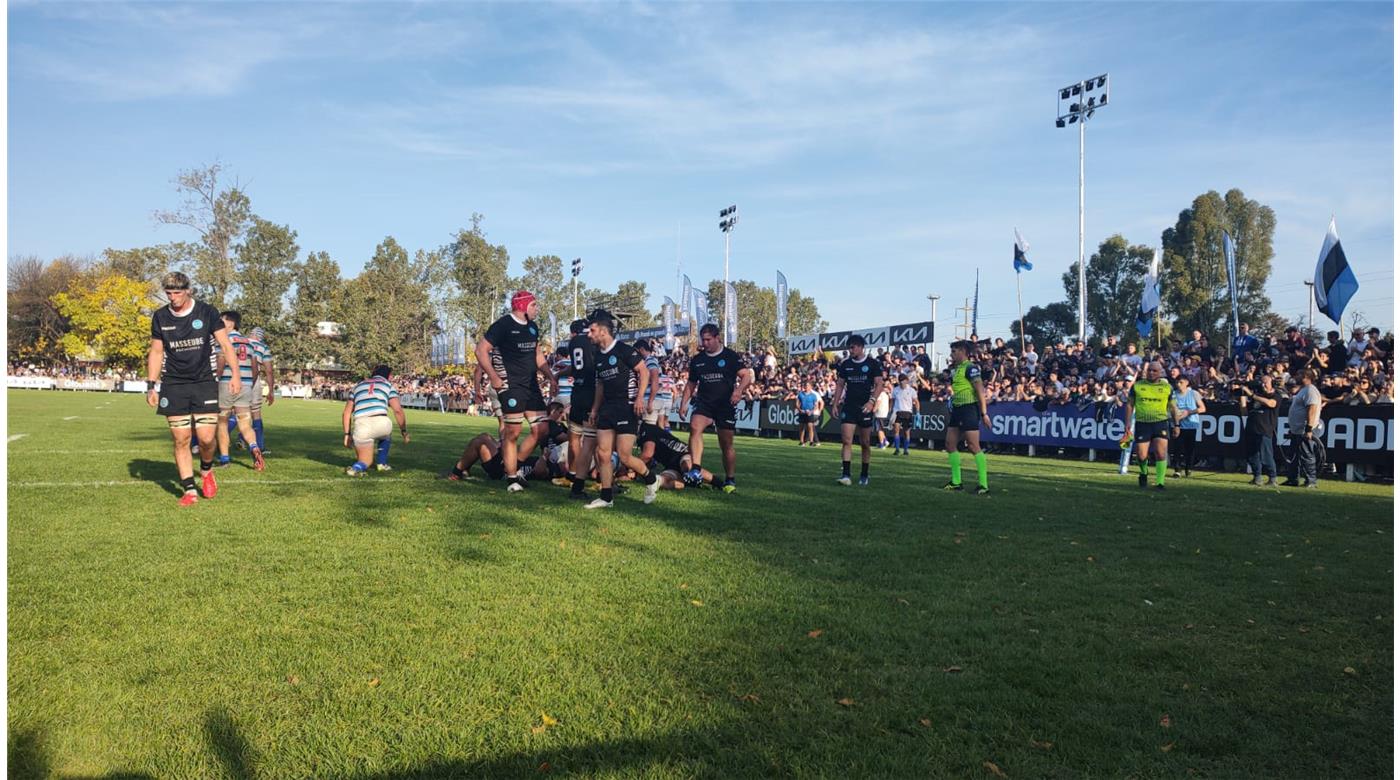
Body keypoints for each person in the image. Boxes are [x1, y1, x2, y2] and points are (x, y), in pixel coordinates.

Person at [145, 272, 243, 506]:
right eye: (169, 293)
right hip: (174, 384)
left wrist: (236, 375)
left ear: (188, 290)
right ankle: (189, 490)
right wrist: (151, 385)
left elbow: (225, 345)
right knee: (181, 438)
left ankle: (207, 471)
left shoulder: (206, 312)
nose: (173, 298)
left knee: (207, 438)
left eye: (177, 293)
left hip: (204, 381)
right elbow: (157, 352)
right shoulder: (160, 317)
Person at [477, 290, 555, 492]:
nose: (537, 308)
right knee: (513, 431)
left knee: (542, 430)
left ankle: (515, 466)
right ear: (523, 306)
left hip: (531, 385)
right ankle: (512, 479)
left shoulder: (533, 327)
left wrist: (550, 376)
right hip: (510, 385)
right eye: (534, 305)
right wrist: (493, 376)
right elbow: (480, 350)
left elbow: (537, 354)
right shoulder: (503, 325)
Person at [584, 310, 658, 509]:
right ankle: (606, 497)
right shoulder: (597, 355)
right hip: (607, 408)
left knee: (624, 456)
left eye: (592, 330)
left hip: (627, 406)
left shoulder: (625, 350)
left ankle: (651, 479)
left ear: (603, 331)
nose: (588, 334)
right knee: (603, 453)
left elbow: (643, 372)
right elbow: (600, 385)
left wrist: (640, 398)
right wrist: (594, 409)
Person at [678, 322, 753, 493]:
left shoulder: (730, 356)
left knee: (726, 444)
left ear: (717, 338)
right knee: (695, 426)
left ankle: (730, 479)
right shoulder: (698, 360)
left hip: (725, 405)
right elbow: (691, 384)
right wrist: (683, 404)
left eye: (708, 340)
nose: (705, 343)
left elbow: (746, 376)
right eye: (703, 340)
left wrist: (738, 390)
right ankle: (696, 469)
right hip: (704, 403)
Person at [214, 311, 265, 472]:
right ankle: (254, 447)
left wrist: (216, 378)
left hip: (227, 384)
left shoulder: (224, 340)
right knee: (244, 423)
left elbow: (221, 361)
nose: (219, 324)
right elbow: (255, 367)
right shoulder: (249, 343)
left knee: (221, 422)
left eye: (221, 321)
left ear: (230, 323)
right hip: (246, 386)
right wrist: (249, 383)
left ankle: (224, 459)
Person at [831, 334, 884, 486]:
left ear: (861, 347)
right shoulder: (845, 364)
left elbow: (879, 384)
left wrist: (871, 401)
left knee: (865, 443)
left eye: (853, 347)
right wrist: (835, 404)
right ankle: (846, 475)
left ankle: (864, 474)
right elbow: (840, 385)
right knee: (846, 440)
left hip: (865, 407)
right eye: (849, 347)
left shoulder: (873, 364)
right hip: (849, 406)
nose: (851, 350)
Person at [556, 317, 599, 499]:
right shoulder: (593, 340)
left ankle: (574, 475)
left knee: (575, 437)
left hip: (578, 391)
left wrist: (558, 373)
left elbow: (575, 367)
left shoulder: (573, 343)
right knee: (593, 440)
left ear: (573, 332)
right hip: (593, 391)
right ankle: (598, 479)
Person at [943, 340, 992, 495]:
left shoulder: (971, 368)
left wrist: (984, 413)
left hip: (969, 408)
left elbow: (980, 390)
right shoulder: (956, 369)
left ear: (963, 351)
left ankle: (983, 484)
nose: (951, 354)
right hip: (957, 409)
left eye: (954, 351)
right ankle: (956, 482)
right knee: (950, 444)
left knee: (973, 446)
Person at [341, 365, 409, 476]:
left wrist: (347, 434)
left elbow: (347, 413)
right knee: (386, 433)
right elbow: (398, 411)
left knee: (365, 461)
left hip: (362, 425)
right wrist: (404, 431)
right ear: (388, 376)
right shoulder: (387, 385)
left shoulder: (358, 386)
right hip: (382, 422)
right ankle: (381, 464)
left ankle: (357, 467)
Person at [1120, 361, 1172, 490]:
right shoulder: (1137, 386)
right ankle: (1143, 473)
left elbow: (1172, 406)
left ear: (1160, 373)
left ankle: (1160, 483)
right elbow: (1129, 404)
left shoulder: (1167, 387)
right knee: (1141, 455)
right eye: (1149, 370)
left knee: (1161, 453)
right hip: (1143, 423)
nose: (1151, 373)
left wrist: (1176, 423)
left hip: (1160, 422)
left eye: (1154, 371)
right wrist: (1127, 424)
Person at [637, 421, 719, 498]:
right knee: (661, 480)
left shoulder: (647, 429)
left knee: (687, 466)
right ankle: (686, 482)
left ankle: (719, 483)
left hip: (682, 454)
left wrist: (631, 468)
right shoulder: (643, 433)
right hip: (670, 465)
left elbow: (647, 455)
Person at [1238, 373, 1283, 486]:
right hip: (1251, 428)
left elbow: (1271, 404)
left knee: (1266, 455)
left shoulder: (1276, 395)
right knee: (1252, 455)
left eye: (1266, 382)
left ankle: (1272, 478)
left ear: (1271, 383)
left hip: (1264, 429)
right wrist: (1242, 396)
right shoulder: (1257, 396)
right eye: (1262, 382)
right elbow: (1244, 412)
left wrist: (1251, 395)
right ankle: (1257, 476)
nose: (1263, 385)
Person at [1285, 369, 1323, 488]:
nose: (1296, 376)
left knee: (1307, 455)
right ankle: (1292, 479)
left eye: (1299, 374)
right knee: (1294, 456)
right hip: (1297, 430)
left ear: (1306, 376)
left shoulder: (1310, 390)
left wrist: (1309, 429)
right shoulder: (1303, 390)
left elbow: (1312, 409)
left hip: (1304, 430)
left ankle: (1311, 480)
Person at [1169, 375, 1205, 478]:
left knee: (1190, 449)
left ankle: (1188, 468)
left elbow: (1202, 408)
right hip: (1177, 424)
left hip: (1191, 425)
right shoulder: (1173, 394)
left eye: (1181, 382)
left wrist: (1189, 412)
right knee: (1177, 448)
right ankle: (1177, 469)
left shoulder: (1193, 393)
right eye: (1177, 382)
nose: (1178, 385)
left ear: (1186, 383)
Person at [248, 325, 276, 456]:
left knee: (232, 413)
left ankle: (219, 446)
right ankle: (260, 446)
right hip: (253, 380)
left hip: (235, 378)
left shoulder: (240, 341)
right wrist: (271, 390)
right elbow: (269, 371)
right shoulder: (263, 347)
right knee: (256, 414)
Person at [889, 373, 919, 455]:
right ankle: (897, 449)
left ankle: (906, 450)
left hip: (907, 413)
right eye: (900, 381)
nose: (901, 382)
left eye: (903, 380)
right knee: (896, 430)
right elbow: (892, 400)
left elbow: (916, 402)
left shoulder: (911, 390)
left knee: (906, 432)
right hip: (897, 412)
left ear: (906, 381)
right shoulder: (895, 390)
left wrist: (918, 412)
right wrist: (890, 410)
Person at [794, 381, 823, 447]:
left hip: (810, 413)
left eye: (807, 386)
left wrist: (812, 411)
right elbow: (797, 403)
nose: (806, 387)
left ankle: (811, 441)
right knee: (802, 427)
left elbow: (816, 405)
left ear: (810, 387)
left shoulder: (813, 395)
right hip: (802, 412)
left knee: (810, 426)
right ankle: (801, 441)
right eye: (805, 386)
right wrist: (800, 410)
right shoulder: (801, 394)